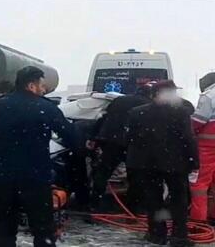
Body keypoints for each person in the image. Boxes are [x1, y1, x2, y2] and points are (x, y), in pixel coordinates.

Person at [0, 66, 77, 247]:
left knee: (4, 228)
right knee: (42, 228)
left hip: (1, 176)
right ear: (31, 86)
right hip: (35, 177)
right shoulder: (46, 108)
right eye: (42, 85)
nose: (44, 89)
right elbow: (70, 135)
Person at [126, 80, 199, 247]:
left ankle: (156, 233)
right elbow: (189, 139)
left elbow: (130, 139)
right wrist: (194, 161)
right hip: (175, 163)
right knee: (179, 199)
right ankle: (179, 236)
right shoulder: (181, 112)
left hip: (146, 163)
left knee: (153, 198)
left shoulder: (137, 113)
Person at [89, 83, 153, 211]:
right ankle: (133, 208)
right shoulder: (148, 105)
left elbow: (104, 118)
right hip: (133, 144)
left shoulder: (119, 100)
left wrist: (94, 137)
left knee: (103, 173)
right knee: (135, 176)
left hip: (112, 142)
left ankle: (94, 204)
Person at [190, 72, 215, 222]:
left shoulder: (209, 96)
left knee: (199, 184)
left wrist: (187, 129)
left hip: (208, 148)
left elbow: (199, 120)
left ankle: (198, 221)